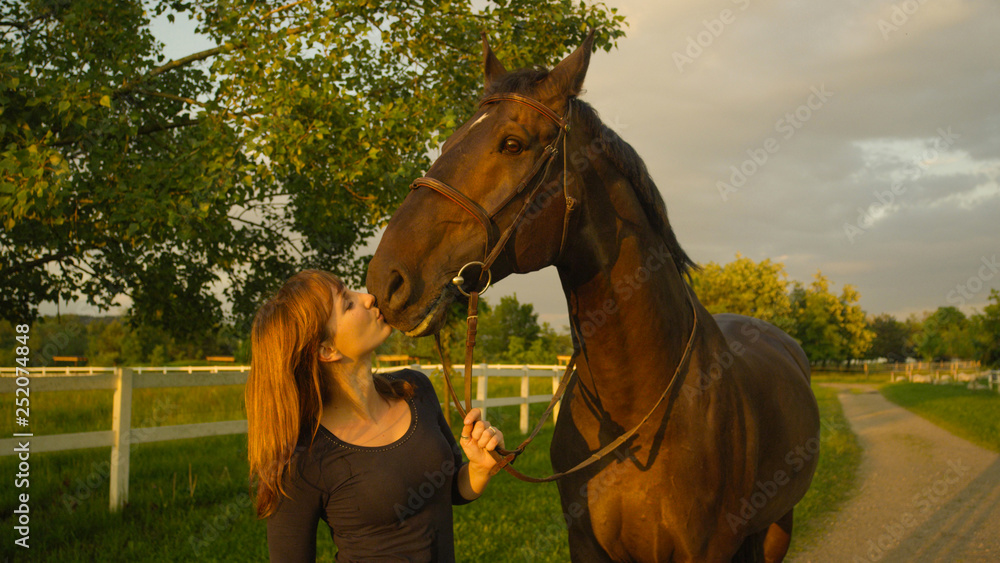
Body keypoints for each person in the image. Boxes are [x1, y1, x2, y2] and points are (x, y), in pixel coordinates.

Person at [245, 269, 505, 562]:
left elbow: (451, 492)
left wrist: (480, 468)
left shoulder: (416, 389)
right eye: (347, 303)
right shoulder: (302, 458)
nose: (369, 298)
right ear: (326, 350)